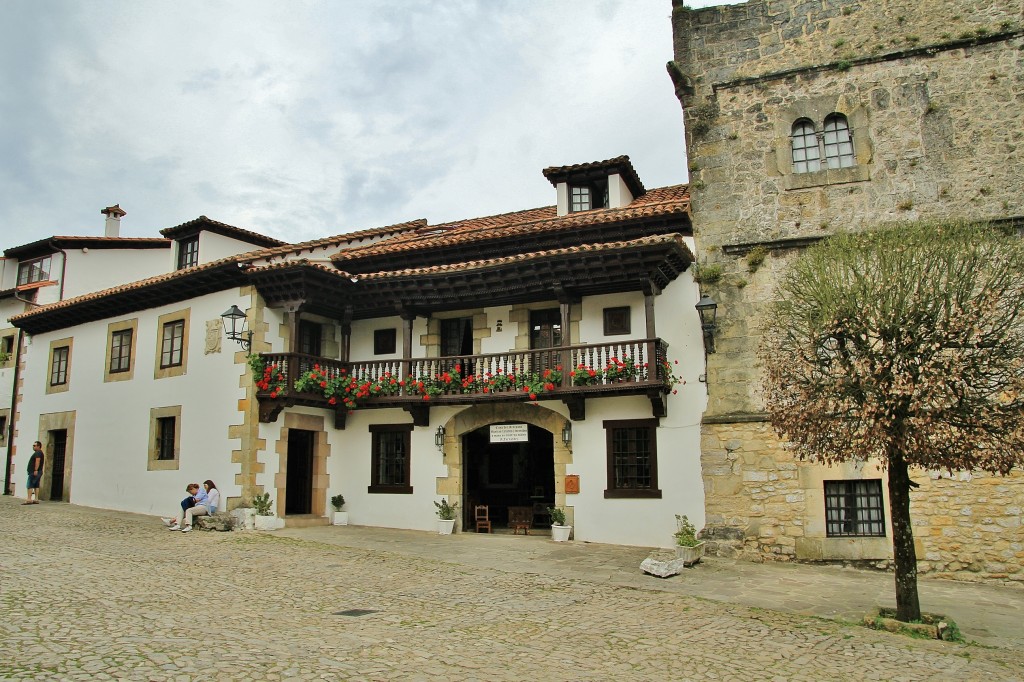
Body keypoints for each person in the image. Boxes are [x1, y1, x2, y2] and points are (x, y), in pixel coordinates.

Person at [22, 441, 44, 505]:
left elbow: (38, 461)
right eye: (33, 445)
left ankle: (29, 499)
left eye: (34, 445)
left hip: (34, 472)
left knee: (30, 484)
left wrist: (35, 470)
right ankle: (36, 499)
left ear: (38, 446)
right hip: (38, 471)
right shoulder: (40, 453)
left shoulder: (38, 453)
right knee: (36, 485)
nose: (33, 447)